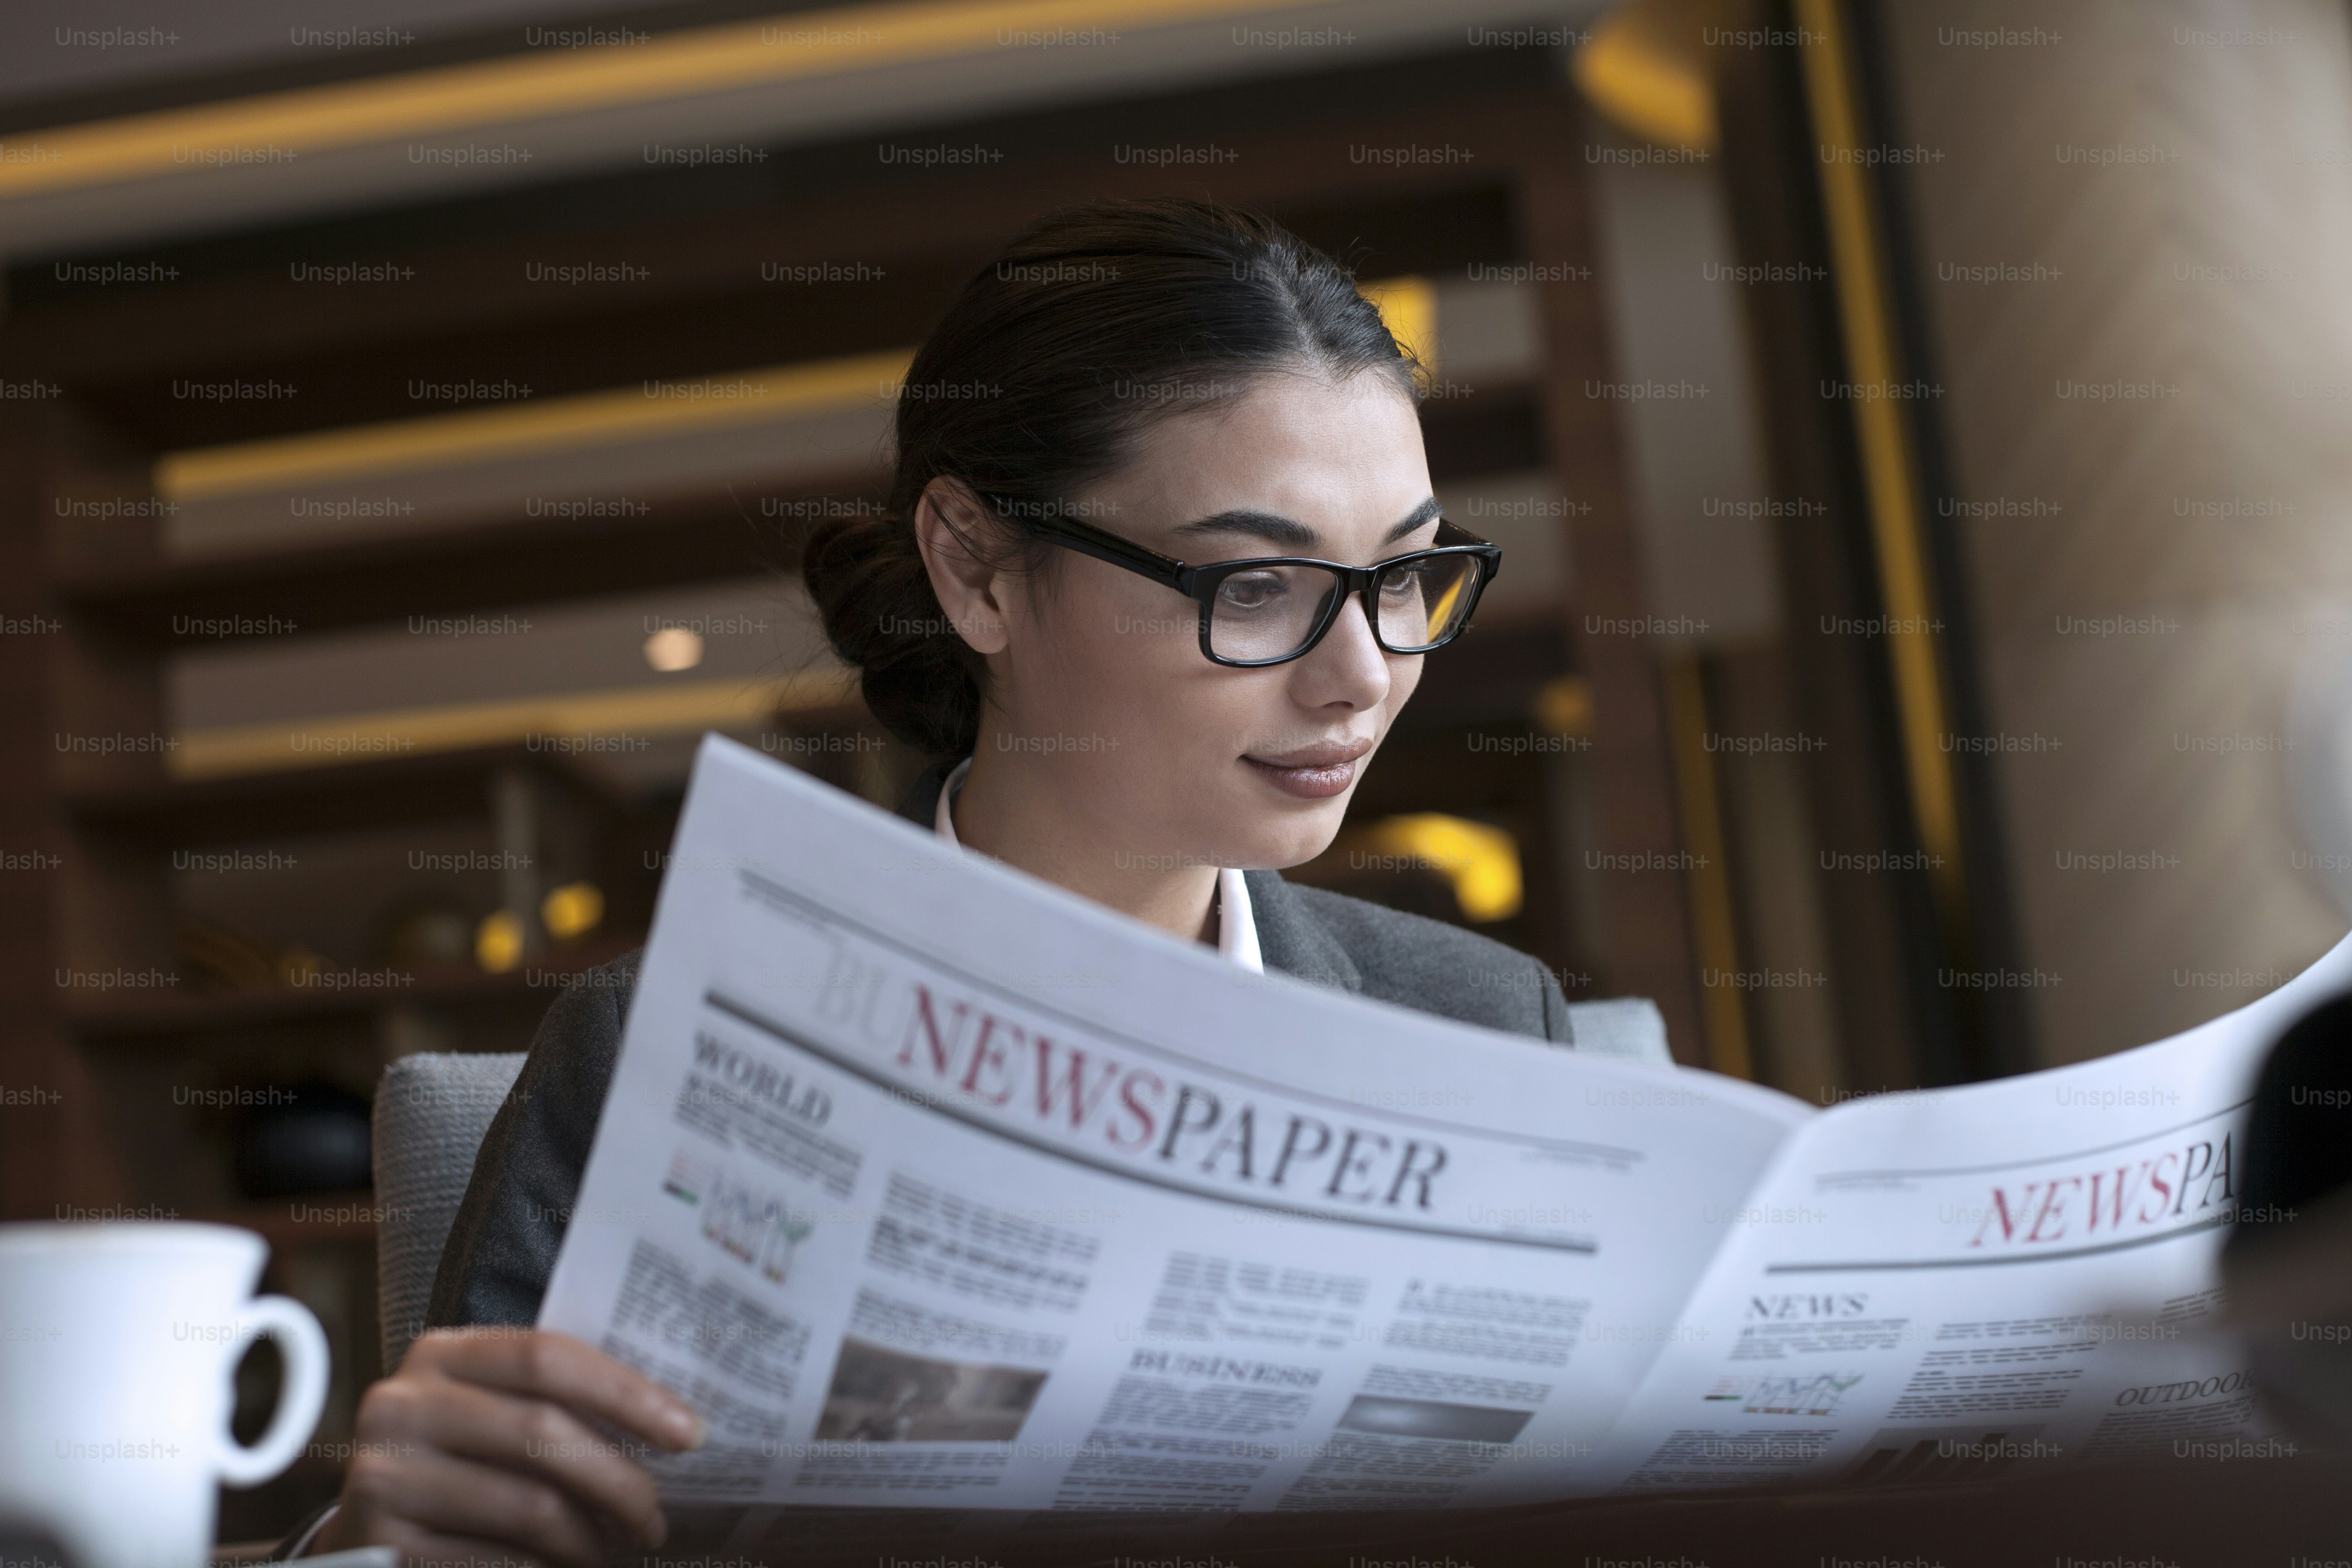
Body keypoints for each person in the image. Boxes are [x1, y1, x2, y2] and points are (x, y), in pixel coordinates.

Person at [287, 197, 1662, 1566]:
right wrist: (372, 1542)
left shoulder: (1485, 1027)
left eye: (1407, 576)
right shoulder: (665, 1045)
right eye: (1255, 586)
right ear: (976, 570)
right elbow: (477, 1524)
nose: (1364, 674)